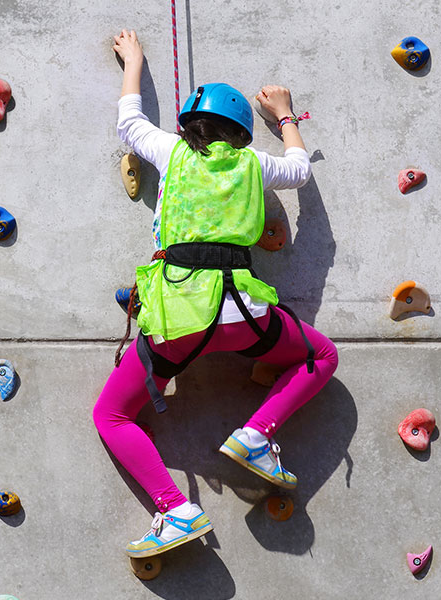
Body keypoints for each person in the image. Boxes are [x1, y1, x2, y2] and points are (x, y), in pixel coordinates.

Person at [93, 30, 338, 559]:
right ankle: (256, 433)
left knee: (111, 415)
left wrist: (133, 60)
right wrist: (286, 115)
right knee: (322, 354)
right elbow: (298, 170)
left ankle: (175, 509)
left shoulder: (171, 151)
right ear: (243, 135)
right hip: (244, 315)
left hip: (178, 320)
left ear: (188, 125)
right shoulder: (254, 165)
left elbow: (129, 124)